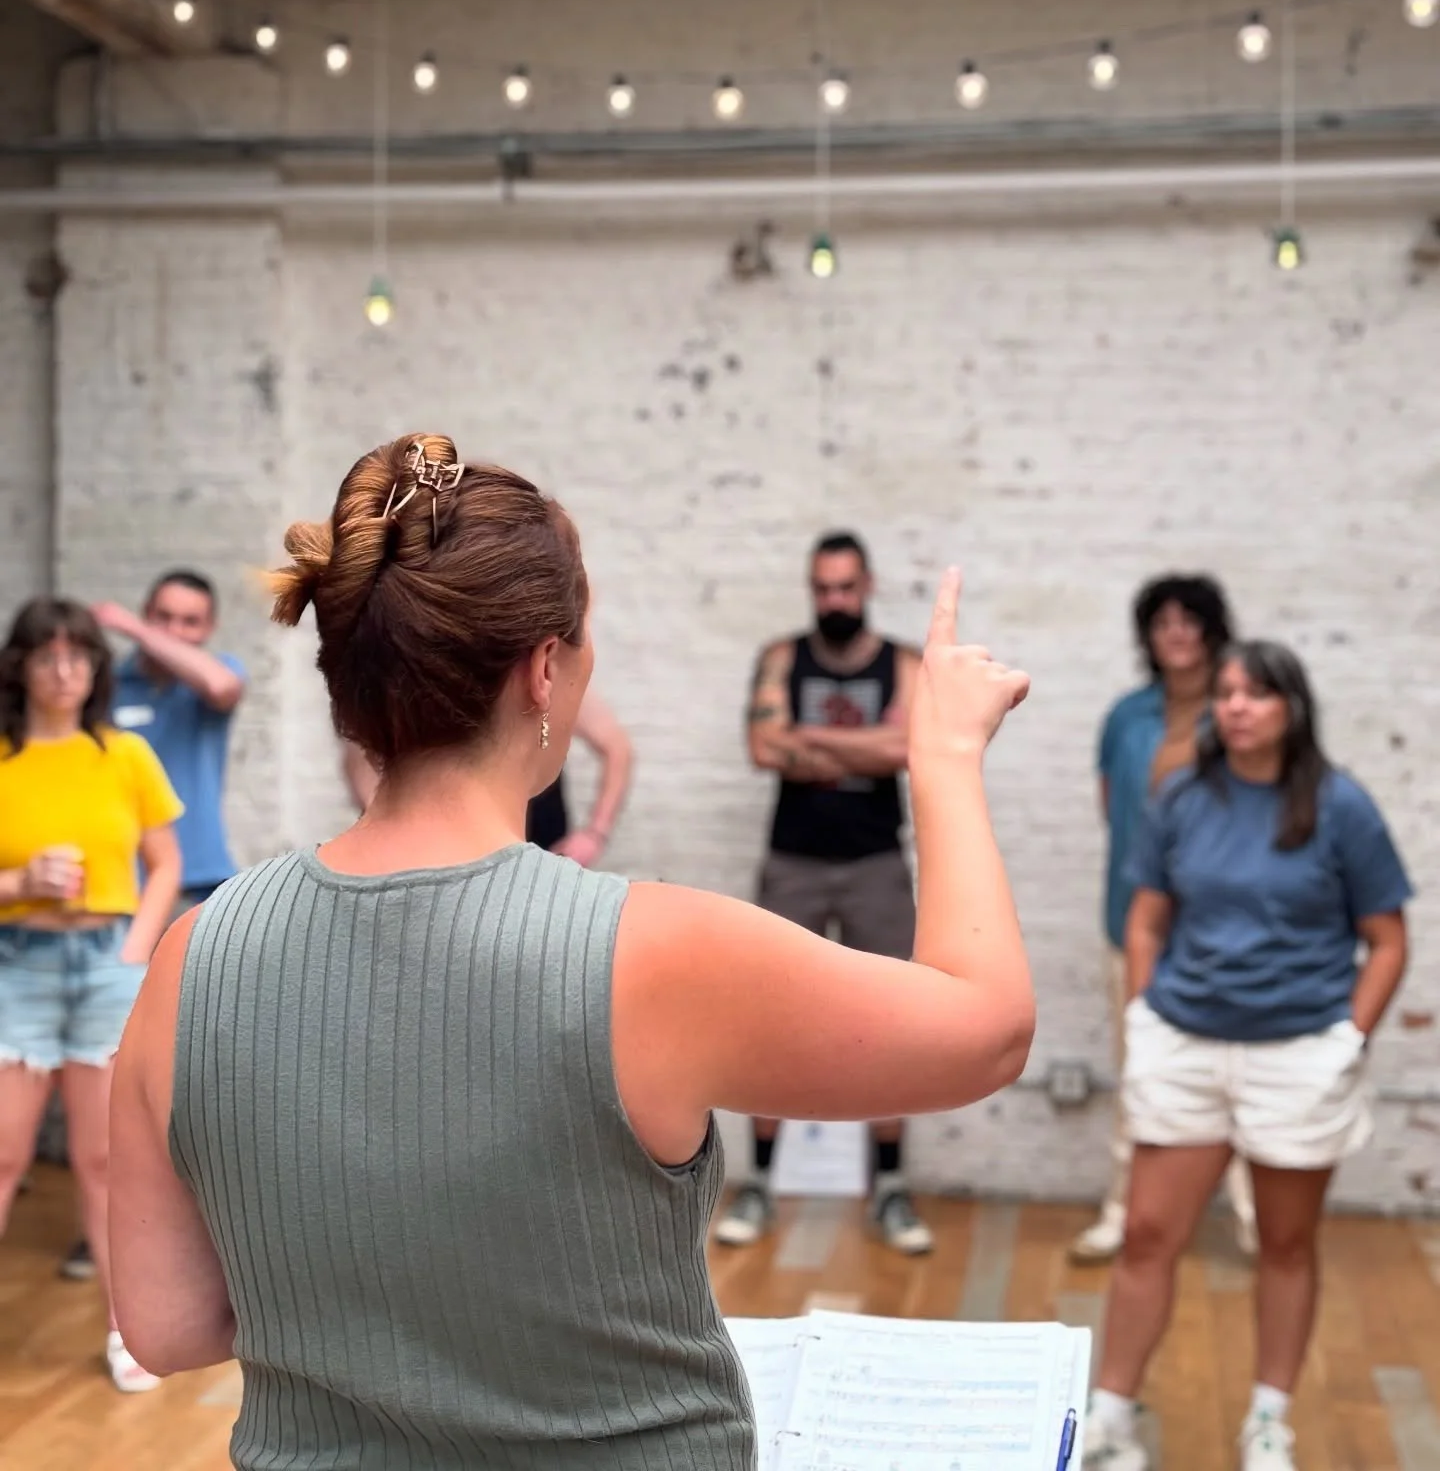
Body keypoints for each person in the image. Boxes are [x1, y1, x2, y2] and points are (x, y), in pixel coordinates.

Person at [109, 433, 1034, 1468]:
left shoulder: (192, 957)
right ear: (544, 668)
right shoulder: (648, 950)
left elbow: (166, 1326)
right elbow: (986, 1029)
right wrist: (943, 755)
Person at [1082, 641, 1411, 1471]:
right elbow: (1146, 918)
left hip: (1298, 1057)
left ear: (1291, 709)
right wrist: (1146, 1016)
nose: (1234, 706)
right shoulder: (1183, 796)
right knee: (1149, 1235)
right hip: (1186, 1045)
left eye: (1255, 694)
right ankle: (1110, 1420)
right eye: (1225, 693)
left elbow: (1388, 940)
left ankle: (1269, 1423)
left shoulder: (1342, 807)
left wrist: (1348, 1039)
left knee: (1286, 1245)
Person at [715, 531, 930, 1255]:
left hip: (876, 863)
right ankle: (762, 1183)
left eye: (845, 587)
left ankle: (892, 1188)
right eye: (822, 588)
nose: (834, 600)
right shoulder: (783, 658)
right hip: (794, 863)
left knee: (895, 1022)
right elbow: (760, 748)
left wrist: (808, 738)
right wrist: (865, 741)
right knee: (768, 1020)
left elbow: (909, 750)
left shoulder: (902, 663)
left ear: (867, 586)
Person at [0, 597, 182, 1394]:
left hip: (109, 965)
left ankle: (127, 1331)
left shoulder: (126, 754)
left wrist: (135, 948)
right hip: (19, 964)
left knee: (105, 1161)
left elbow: (166, 864)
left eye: (79, 656)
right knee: (3, 1156)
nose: (65, 670)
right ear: (22, 667)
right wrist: (19, 882)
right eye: (48, 655)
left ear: (97, 669)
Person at [1071, 573, 1257, 1264]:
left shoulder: (1244, 713)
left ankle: (1255, 1220)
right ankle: (1123, 1214)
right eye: (1162, 623)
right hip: (1133, 924)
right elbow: (1113, 808)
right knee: (1140, 1074)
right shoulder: (1128, 717)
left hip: (1225, 931)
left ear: (1213, 629)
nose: (1176, 634)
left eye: (1190, 621)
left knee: (1242, 1075)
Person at [342, 689, 633, 867]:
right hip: (442, 854)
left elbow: (617, 749)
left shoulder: (550, 684)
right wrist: (384, 827)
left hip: (542, 848)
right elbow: (359, 751)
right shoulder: (418, 674)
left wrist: (595, 833)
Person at [98, 570, 246, 909]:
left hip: (199, 877)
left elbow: (220, 688)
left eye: (190, 622)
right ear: (146, 611)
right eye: (162, 617)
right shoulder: (108, 685)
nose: (174, 631)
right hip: (122, 880)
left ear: (210, 629)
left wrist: (136, 629)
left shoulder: (220, 671)